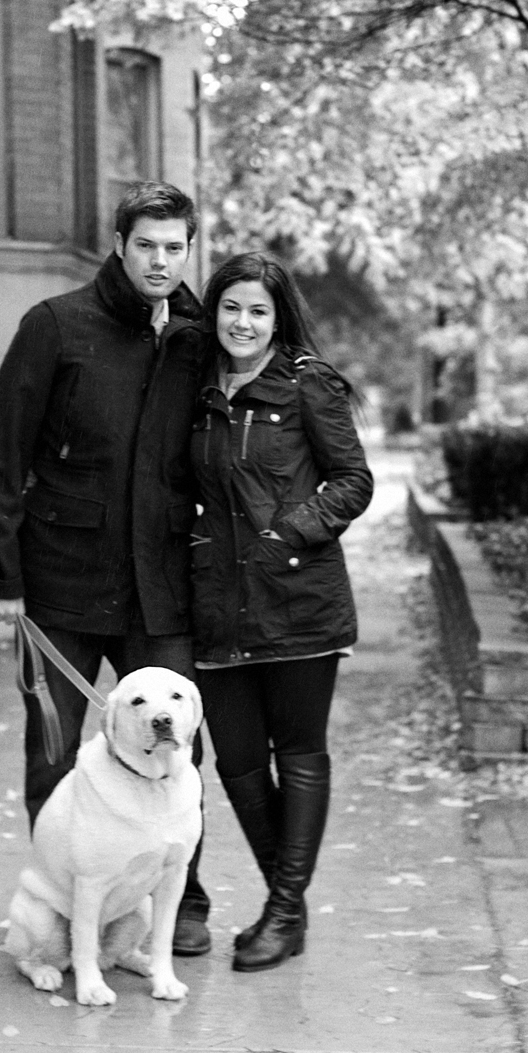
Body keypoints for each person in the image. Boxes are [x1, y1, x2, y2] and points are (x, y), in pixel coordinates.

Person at [0, 181, 211, 955]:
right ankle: (57, 907)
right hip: (60, 584)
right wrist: (1, 574)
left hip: (158, 587)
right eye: (146, 245)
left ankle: (183, 899)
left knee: (178, 745)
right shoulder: (55, 326)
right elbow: (3, 451)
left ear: (189, 251)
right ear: (119, 245)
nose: (160, 261)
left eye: (174, 248)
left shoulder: (198, 336)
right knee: (54, 753)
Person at [189, 252, 373, 972]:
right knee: (237, 762)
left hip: (298, 600)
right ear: (215, 311)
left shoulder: (306, 384)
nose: (243, 322)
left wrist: (288, 532)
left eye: (258, 311)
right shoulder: (196, 385)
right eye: (232, 307)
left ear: (277, 317)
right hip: (217, 602)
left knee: (297, 754)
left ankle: (284, 910)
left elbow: (353, 480)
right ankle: (286, 907)